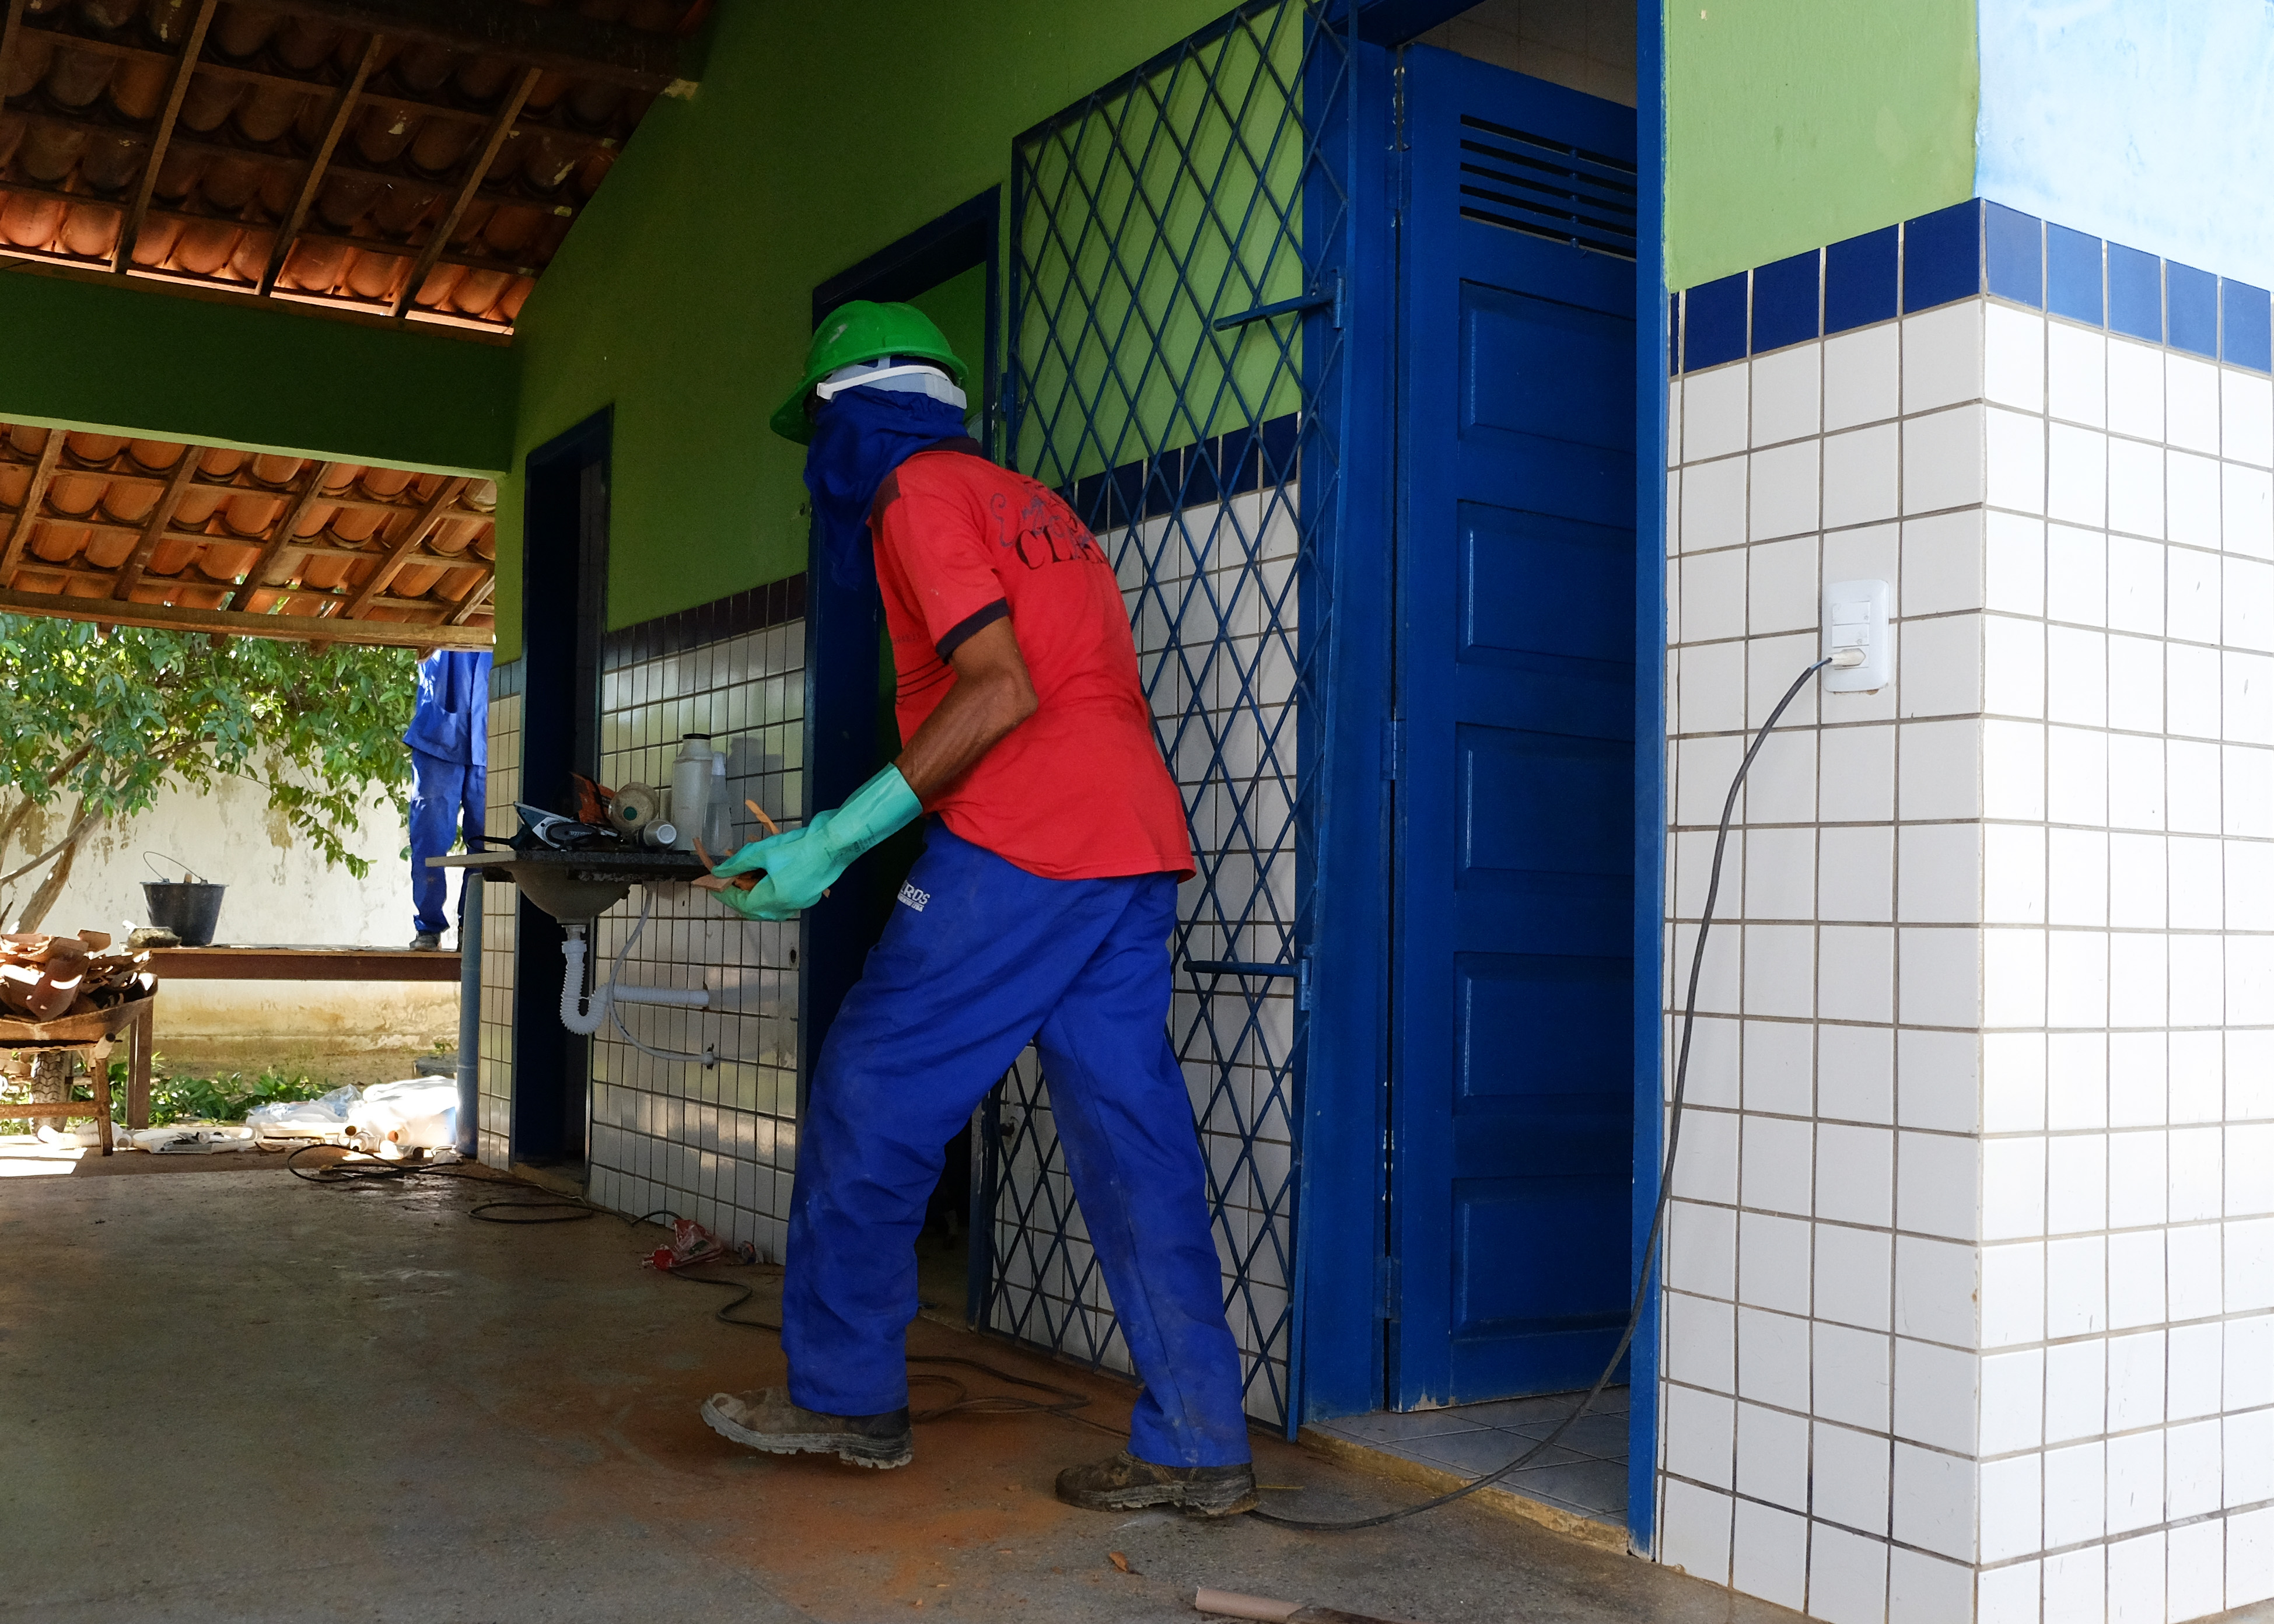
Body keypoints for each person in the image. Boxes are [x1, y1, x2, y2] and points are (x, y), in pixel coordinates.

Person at [696, 302, 1256, 1517]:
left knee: (870, 1093)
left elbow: (998, 691)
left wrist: (833, 843)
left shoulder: (914, 499)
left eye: (820, 430)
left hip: (1022, 840)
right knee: (1133, 1144)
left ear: (853, 415)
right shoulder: (1036, 503)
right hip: (1131, 842)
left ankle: (845, 1402)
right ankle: (1199, 1442)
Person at [404, 647, 491, 951]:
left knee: (487, 846)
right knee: (429, 839)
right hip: (438, 736)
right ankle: (428, 928)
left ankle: (473, 927)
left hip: (491, 743)